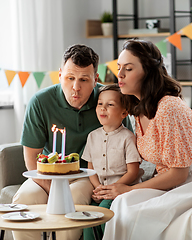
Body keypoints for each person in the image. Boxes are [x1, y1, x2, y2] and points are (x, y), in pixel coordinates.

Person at [93, 39, 192, 240]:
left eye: (128, 69)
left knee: (133, 210)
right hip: (172, 181)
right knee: (122, 203)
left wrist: (127, 188)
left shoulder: (169, 108)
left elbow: (179, 174)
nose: (119, 74)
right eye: (119, 67)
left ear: (147, 72)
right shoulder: (137, 111)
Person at [12, 44, 131, 240]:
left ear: (95, 80)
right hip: (47, 175)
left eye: (84, 79)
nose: (76, 87)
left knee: (73, 200)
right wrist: (54, 189)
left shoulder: (109, 101)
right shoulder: (40, 102)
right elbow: (31, 157)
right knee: (25, 198)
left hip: (87, 176)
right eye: (70, 78)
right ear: (59, 75)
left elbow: (126, 145)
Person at [81, 84, 142, 240]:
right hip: (101, 191)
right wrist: (98, 188)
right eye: (100, 104)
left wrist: (111, 189)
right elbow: (90, 168)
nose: (103, 108)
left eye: (110, 105)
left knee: (102, 214)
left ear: (124, 112)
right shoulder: (92, 136)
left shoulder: (128, 137)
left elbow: (133, 171)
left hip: (122, 191)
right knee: (87, 218)